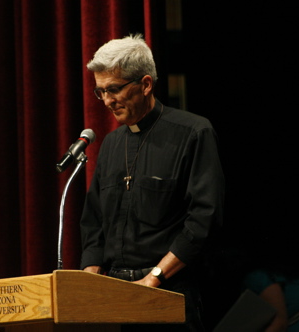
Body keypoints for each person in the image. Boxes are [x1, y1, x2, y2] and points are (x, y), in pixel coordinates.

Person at [79, 33, 225, 332]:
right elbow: (94, 223)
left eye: (114, 89)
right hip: (114, 294)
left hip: (169, 290)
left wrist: (154, 278)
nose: (106, 101)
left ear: (145, 84)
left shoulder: (193, 132)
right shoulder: (110, 144)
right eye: (100, 92)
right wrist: (88, 282)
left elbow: (203, 219)